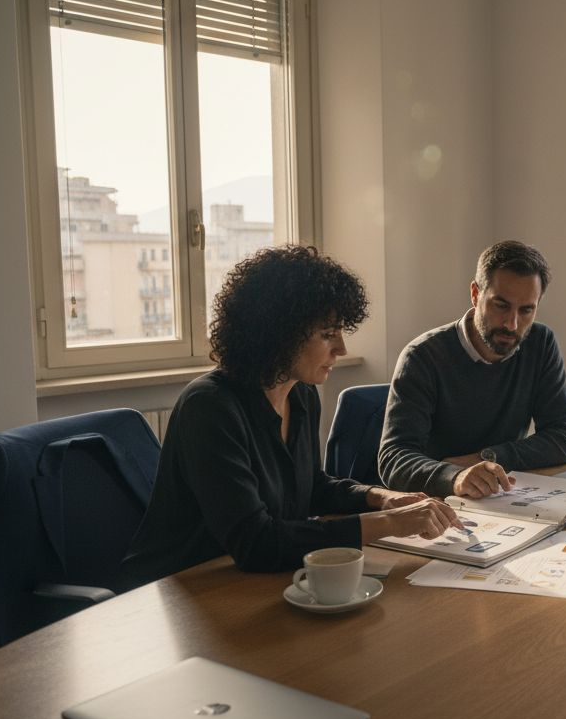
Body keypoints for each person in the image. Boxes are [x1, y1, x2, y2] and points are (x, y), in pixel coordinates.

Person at [121, 244, 464, 589]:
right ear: (279, 333)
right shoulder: (209, 407)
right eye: (328, 334)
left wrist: (382, 497)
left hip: (249, 581)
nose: (341, 349)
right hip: (178, 589)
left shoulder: (300, 393)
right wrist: (388, 522)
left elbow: (311, 486)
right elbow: (256, 542)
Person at [378, 239, 566, 498]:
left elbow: (564, 437)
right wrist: (455, 476)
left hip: (502, 496)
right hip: (439, 503)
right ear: (475, 294)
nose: (512, 323)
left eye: (527, 310)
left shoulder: (540, 343)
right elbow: (394, 460)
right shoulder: (423, 357)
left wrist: (487, 458)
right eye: (501, 305)